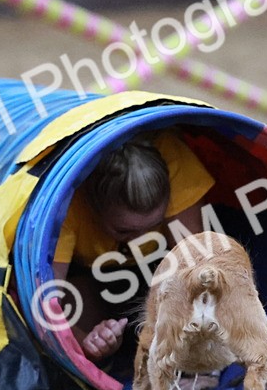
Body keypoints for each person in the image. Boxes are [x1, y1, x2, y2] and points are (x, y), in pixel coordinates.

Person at [51, 128, 215, 376]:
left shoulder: (177, 166)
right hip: (93, 274)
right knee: (74, 321)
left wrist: (206, 362)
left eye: (153, 226)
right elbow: (45, 302)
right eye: (125, 231)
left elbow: (201, 274)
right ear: (93, 206)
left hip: (157, 266)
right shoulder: (67, 205)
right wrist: (88, 343)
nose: (141, 240)